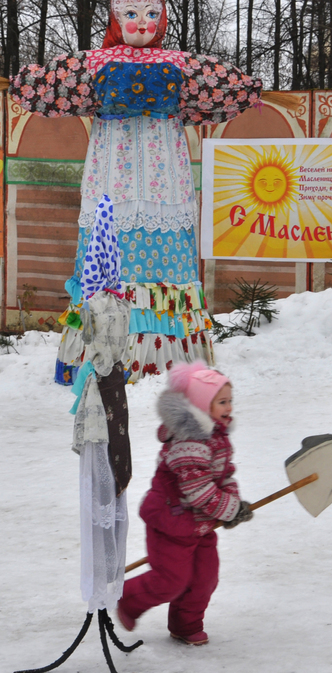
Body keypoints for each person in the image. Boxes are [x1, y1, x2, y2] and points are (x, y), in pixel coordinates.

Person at [9, 0, 263, 385]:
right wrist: (25, 83)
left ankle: (169, 367)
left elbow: (227, 88)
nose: (142, 23)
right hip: (112, 176)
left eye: (151, 14)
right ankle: (105, 356)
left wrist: (244, 89)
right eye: (131, 14)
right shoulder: (94, 63)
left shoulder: (181, 64)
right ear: (115, 18)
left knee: (162, 262)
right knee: (110, 257)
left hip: (165, 177)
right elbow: (45, 85)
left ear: (162, 19)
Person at [117, 360, 253, 644]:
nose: (229, 407)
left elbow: (224, 475)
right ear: (203, 405)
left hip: (200, 524)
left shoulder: (217, 438)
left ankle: (185, 624)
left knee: (204, 580)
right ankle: (127, 598)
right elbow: (198, 489)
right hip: (172, 523)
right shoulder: (188, 443)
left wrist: (233, 503)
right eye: (222, 402)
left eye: (230, 401)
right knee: (170, 581)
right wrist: (229, 509)